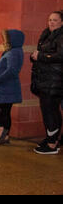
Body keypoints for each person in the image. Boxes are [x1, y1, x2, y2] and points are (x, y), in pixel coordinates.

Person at [31, 10, 63, 155]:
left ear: (62, 22)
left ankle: (51, 144)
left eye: (55, 20)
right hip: (45, 80)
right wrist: (35, 56)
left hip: (54, 81)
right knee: (49, 110)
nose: (51, 22)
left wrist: (41, 56)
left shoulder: (61, 36)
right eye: (50, 19)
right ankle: (52, 139)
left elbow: (60, 56)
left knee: (50, 111)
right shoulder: (47, 35)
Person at [0, 30, 25, 145]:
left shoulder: (14, 52)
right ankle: (4, 135)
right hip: (5, 87)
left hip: (6, 86)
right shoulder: (13, 51)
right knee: (3, 110)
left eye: (6, 39)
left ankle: (3, 133)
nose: (4, 41)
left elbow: (12, 70)